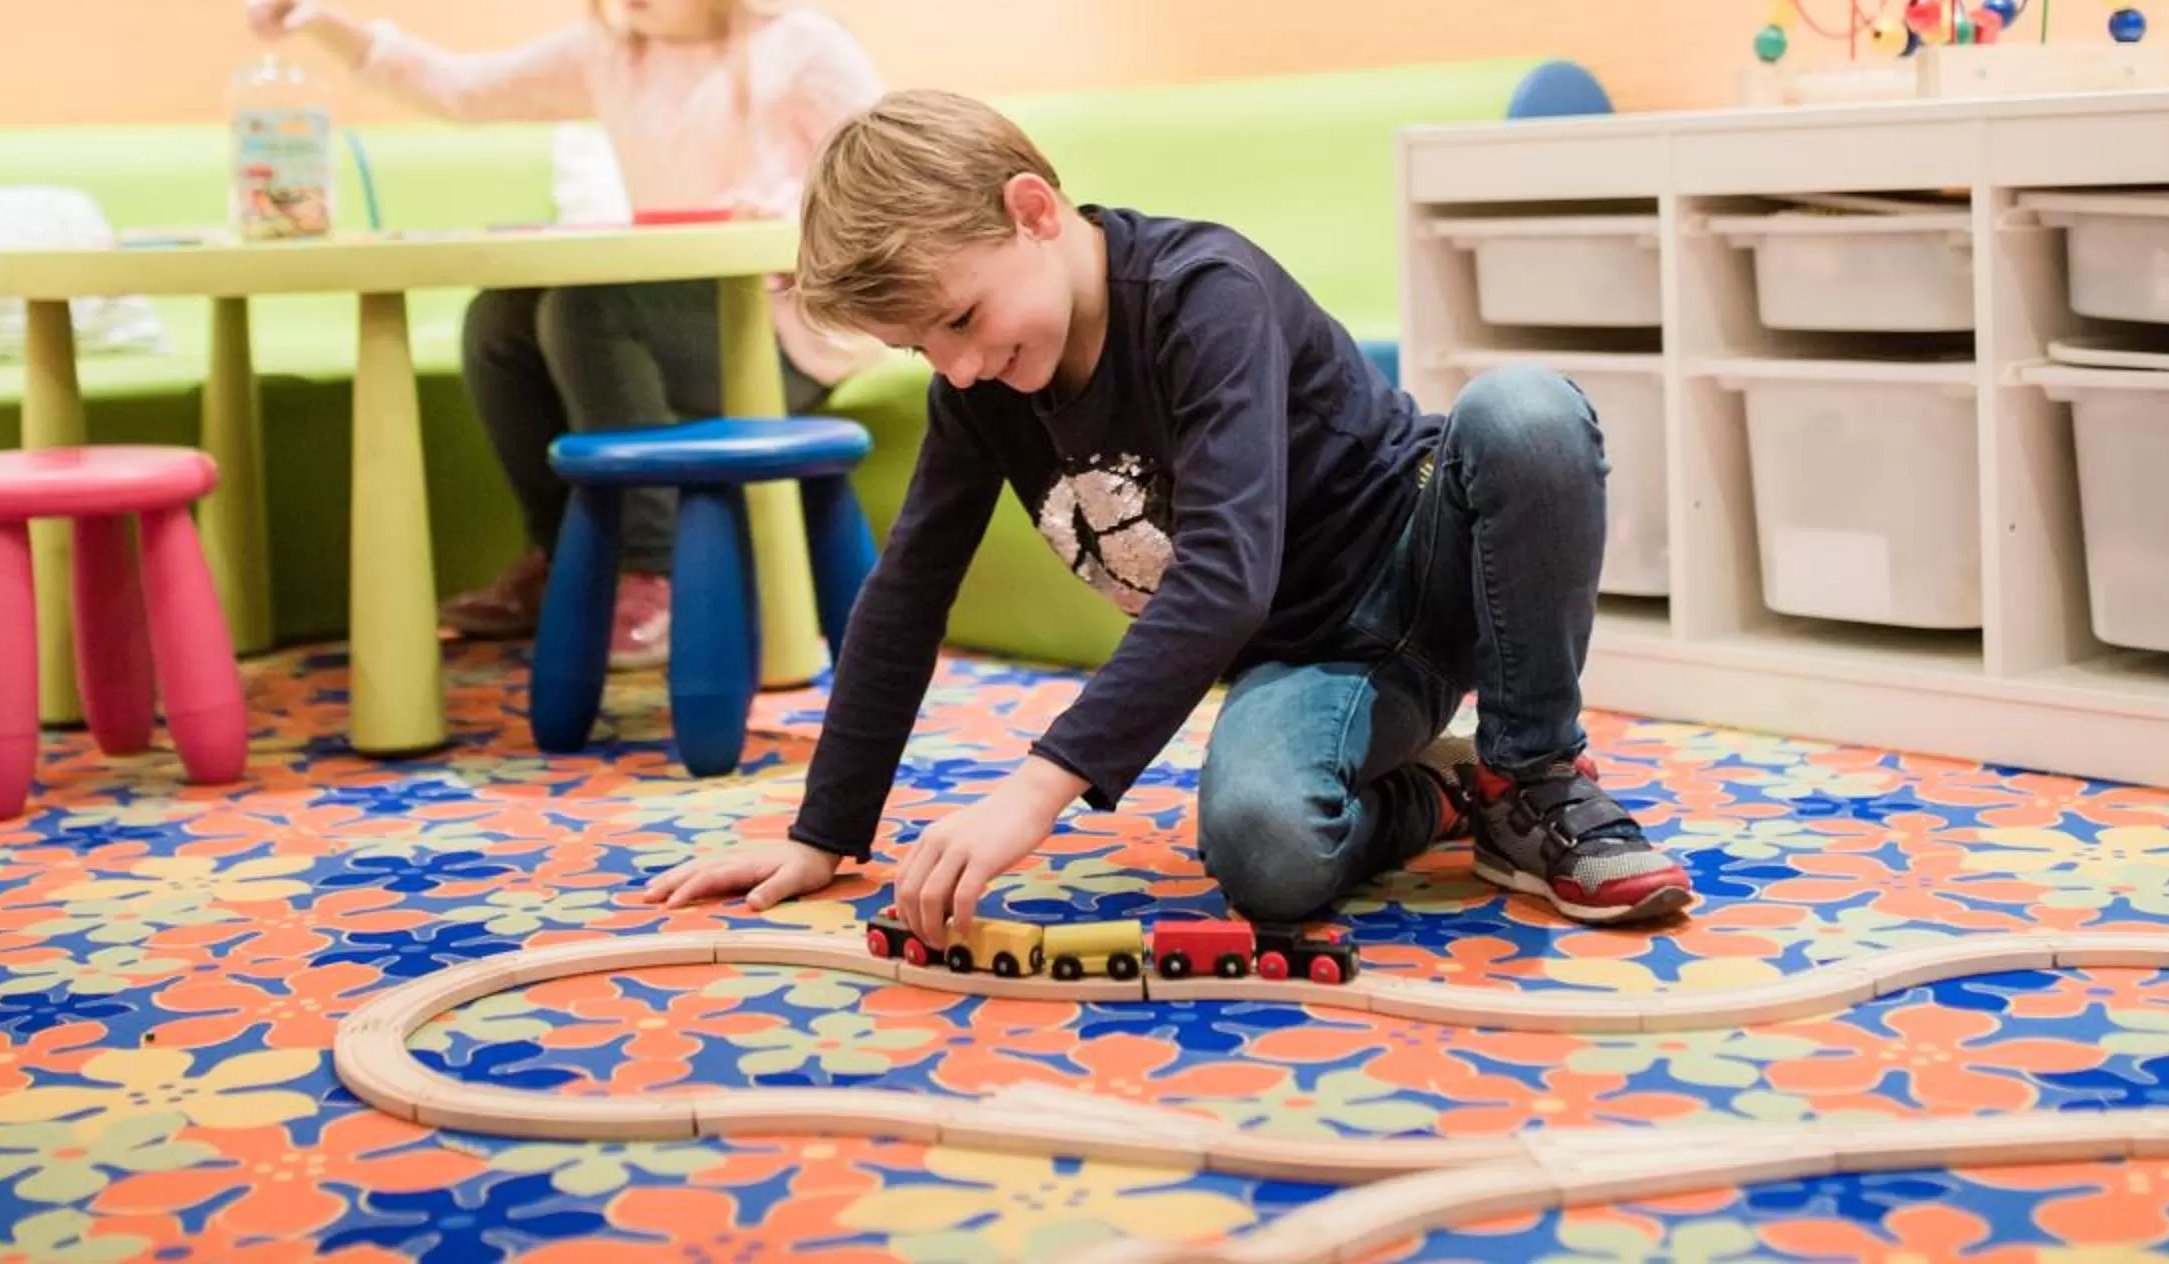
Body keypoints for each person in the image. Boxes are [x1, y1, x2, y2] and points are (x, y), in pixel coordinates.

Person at [638, 89, 1694, 929]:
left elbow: (1225, 571)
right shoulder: (981, 390)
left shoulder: (1203, 292)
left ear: (1033, 210)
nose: (956, 368)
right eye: (924, 347)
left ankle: (1532, 776)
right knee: (1266, 851)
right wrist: (824, 831)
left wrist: (1038, 785)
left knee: (1526, 411)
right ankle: (1440, 793)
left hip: (1428, 555)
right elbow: (907, 591)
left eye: (960, 317)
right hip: (1313, 659)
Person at [244, 0, 884, 665]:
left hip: (788, 335)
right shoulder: (612, 56)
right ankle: (566, 557)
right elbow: (461, 88)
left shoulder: (798, 46)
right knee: (499, 321)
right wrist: (324, 24)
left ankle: (652, 572)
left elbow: (884, 183)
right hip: (678, 318)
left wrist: (776, 209)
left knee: (589, 307)